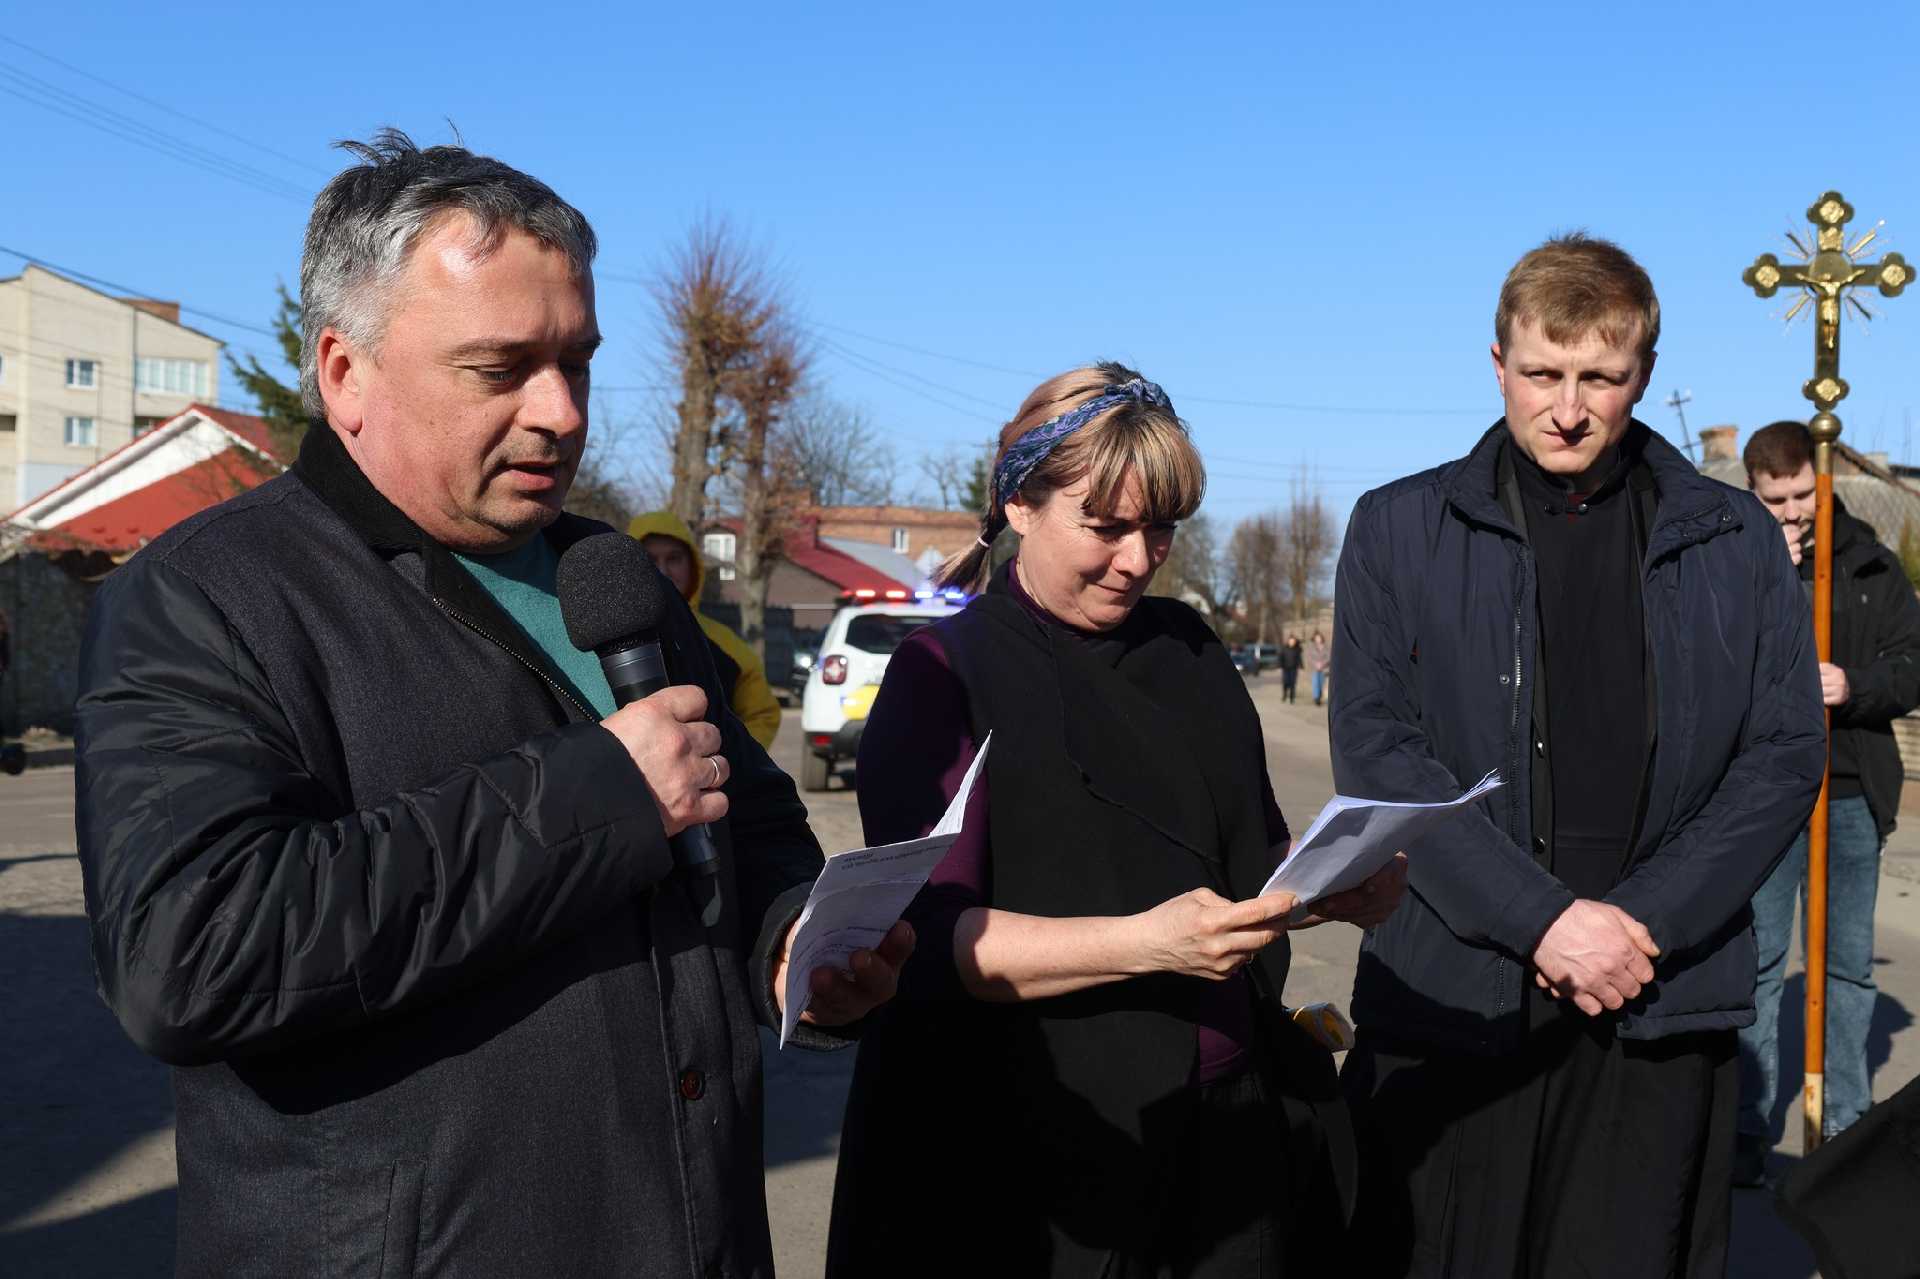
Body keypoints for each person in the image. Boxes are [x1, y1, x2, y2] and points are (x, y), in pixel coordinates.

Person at [72, 131, 908, 1278]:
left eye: (578, 362)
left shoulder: (611, 578)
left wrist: (795, 946)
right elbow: (193, 953)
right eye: (501, 368)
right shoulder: (207, 597)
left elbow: (749, 820)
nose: (561, 411)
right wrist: (599, 796)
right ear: (345, 372)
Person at [828, 362, 1408, 1277]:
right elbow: (926, 940)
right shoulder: (943, 674)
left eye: (1162, 527)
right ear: (1020, 505)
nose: (1139, 559)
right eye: (1105, 527)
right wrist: (1147, 943)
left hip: (1229, 1140)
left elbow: (1252, 853)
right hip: (1038, 1168)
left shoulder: (1191, 650)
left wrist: (1331, 883)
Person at [1329, 233, 1826, 1277]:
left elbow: (1782, 750)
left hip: (1658, 992)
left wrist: (1642, 922)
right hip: (1458, 994)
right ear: (1497, 363)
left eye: (1599, 377)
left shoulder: (1735, 540)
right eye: (1542, 373)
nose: (1567, 407)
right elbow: (1378, 746)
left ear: (1642, 372)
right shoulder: (1399, 528)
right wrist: (1542, 919)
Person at [1737, 419, 1920, 1183]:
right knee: (1757, 964)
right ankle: (1748, 1126)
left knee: (1844, 965)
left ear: (1823, 486)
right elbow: (1713, 664)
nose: (1790, 513)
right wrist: (1768, 577)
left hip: (1849, 792)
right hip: (1767, 797)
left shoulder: (1872, 562)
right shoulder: (1736, 562)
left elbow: (1912, 667)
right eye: (1773, 500)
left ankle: (1844, 1120)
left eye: (1799, 498)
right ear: (1754, 492)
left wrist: (1856, 685)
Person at [628, 509, 782, 749]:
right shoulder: (602, 641)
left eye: (674, 559)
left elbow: (763, 715)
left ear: (693, 567)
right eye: (649, 559)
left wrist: (731, 760)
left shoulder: (726, 645)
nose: (663, 571)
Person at [1278, 632, 1303, 703]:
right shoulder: (1284, 648)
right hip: (1285, 668)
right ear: (1288, 641)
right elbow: (1281, 658)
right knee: (1285, 682)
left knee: (1292, 683)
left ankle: (1292, 698)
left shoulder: (1297, 649)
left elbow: (1299, 659)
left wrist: (1301, 666)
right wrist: (1280, 666)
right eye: (1291, 641)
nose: (1292, 642)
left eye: (1293, 641)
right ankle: (1284, 694)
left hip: (1293, 668)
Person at [1307, 631, 1330, 706]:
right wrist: (1316, 664)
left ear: (1321, 638)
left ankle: (1320, 696)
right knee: (1315, 683)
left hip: (1324, 668)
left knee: (1321, 683)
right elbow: (1309, 658)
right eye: (1316, 638)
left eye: (1319, 638)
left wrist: (1322, 664)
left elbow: (1329, 657)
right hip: (1314, 668)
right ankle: (1316, 698)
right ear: (1314, 639)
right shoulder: (1311, 648)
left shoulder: (1326, 647)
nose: (1318, 639)